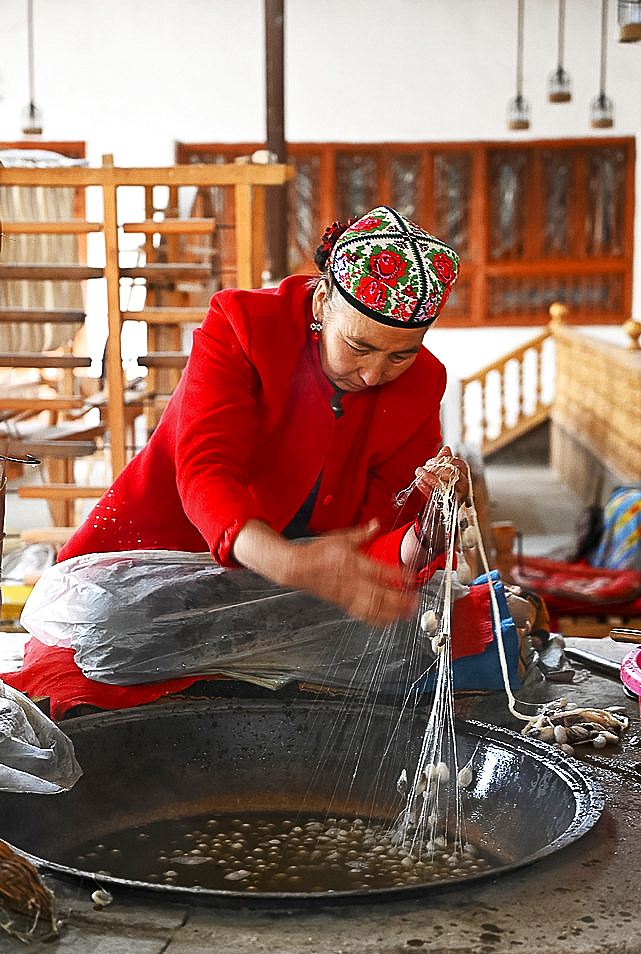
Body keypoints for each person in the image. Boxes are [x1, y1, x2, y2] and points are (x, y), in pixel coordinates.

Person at [4, 205, 471, 717]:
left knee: (430, 631)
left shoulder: (422, 383)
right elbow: (208, 469)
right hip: (169, 564)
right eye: (358, 346)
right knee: (104, 622)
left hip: (288, 594)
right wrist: (288, 562)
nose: (373, 374)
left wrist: (426, 530)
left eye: (399, 356)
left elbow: (372, 533)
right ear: (320, 303)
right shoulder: (243, 325)